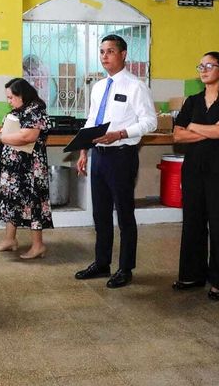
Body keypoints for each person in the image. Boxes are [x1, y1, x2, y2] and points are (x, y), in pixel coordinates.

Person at [74, 34, 157, 288]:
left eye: (110, 51)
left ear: (123, 54)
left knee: (124, 213)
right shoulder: (99, 87)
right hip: (99, 156)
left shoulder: (136, 86)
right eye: (102, 52)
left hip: (122, 156)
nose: (104, 56)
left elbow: (150, 122)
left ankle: (125, 268)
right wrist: (83, 150)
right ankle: (102, 263)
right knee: (100, 213)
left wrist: (120, 134)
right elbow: (92, 121)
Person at [171, 52, 219, 301]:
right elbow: (178, 136)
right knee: (192, 223)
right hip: (193, 171)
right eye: (200, 66)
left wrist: (194, 127)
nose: (203, 70)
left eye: (209, 66)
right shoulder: (192, 101)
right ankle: (192, 275)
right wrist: (211, 129)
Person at [0, 78, 53, 259]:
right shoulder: (18, 110)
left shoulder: (36, 110)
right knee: (10, 200)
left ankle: (38, 245)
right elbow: (12, 133)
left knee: (33, 202)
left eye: (11, 97)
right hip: (12, 169)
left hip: (30, 169)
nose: (9, 101)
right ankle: (10, 239)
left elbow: (27, 137)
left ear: (22, 95)